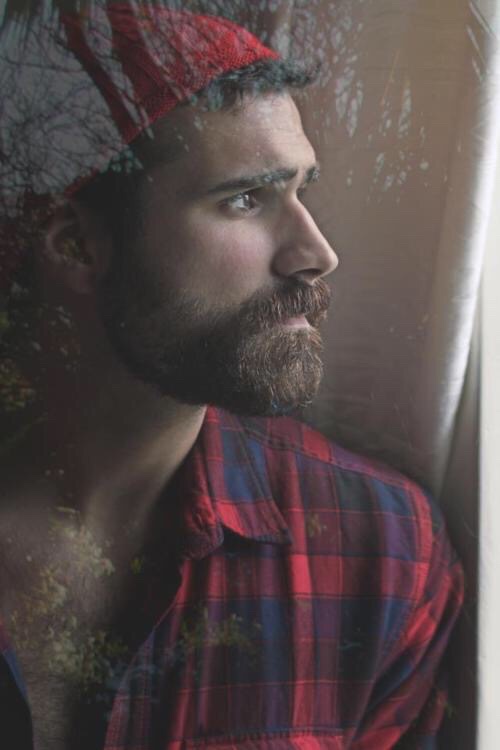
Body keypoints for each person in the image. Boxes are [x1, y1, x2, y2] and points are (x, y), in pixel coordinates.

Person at [0, 5, 463, 750]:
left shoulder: (383, 556)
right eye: (245, 199)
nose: (317, 254)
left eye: (302, 190)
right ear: (77, 244)